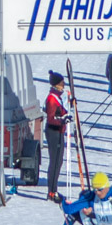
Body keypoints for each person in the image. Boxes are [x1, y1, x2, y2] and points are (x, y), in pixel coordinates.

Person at [44, 71, 69, 199]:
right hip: (54, 132)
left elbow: (62, 111)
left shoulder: (58, 97)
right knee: (55, 161)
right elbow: (51, 118)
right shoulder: (52, 99)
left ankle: (54, 189)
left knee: (58, 162)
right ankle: (51, 191)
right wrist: (62, 120)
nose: (63, 85)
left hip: (59, 131)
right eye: (61, 83)